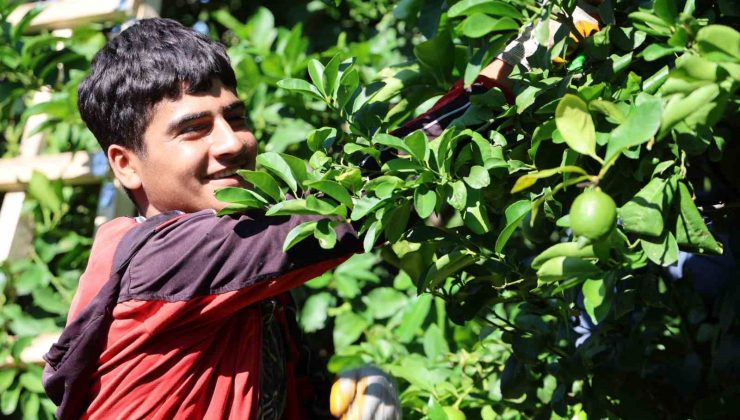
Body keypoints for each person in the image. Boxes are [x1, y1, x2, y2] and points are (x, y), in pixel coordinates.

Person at [41, 4, 603, 418]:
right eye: (193, 129)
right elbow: (373, 196)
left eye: (234, 117)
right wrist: (551, 40)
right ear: (126, 165)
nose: (232, 142)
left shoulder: (234, 279)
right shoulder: (163, 258)